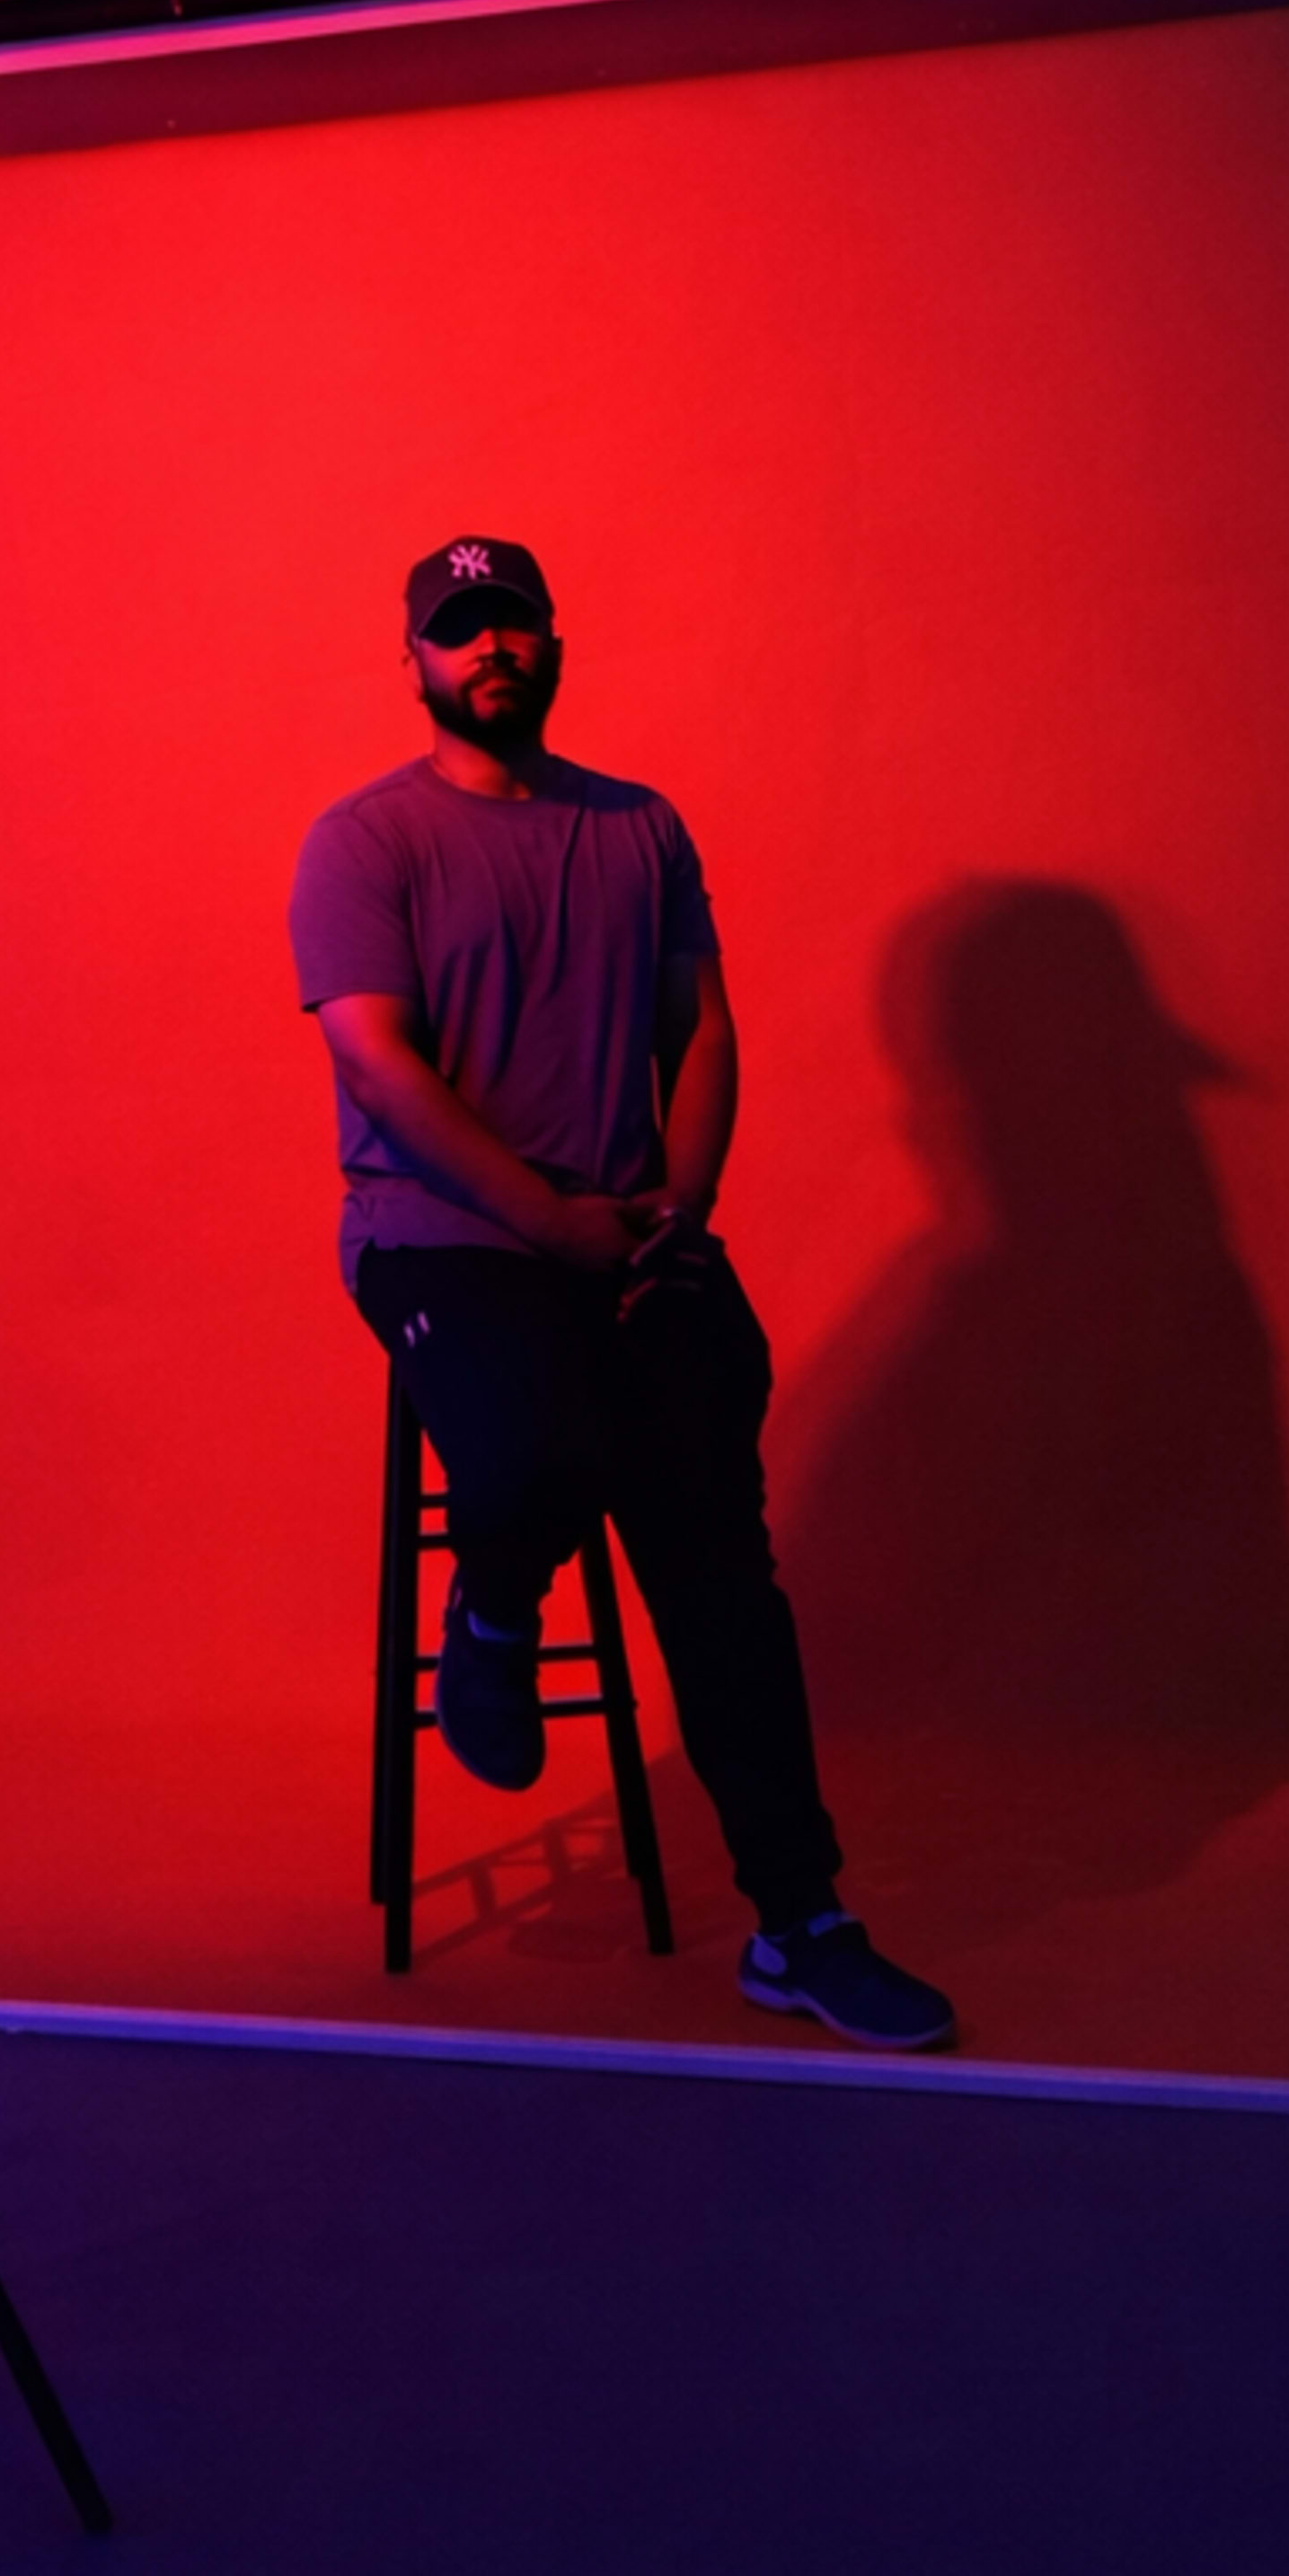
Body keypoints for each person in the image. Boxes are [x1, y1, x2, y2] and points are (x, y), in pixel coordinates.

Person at [287, 534, 955, 2055]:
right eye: (461, 633)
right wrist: (541, 1215)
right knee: (536, 1459)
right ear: (416, 661)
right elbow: (375, 1060)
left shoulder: (639, 828)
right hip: (441, 1234)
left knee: (721, 1557)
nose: (491, 651)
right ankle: (496, 1606)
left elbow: (701, 1027)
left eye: (513, 624)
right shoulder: (366, 842)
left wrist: (678, 1206)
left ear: (554, 647)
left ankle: (804, 1924)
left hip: (630, 1233)